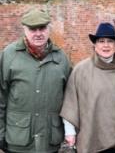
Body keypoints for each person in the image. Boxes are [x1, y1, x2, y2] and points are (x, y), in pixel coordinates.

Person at [0, 8, 71, 153]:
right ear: (24, 29)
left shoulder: (61, 58)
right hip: (18, 140)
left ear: (49, 28)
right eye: (33, 29)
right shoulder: (9, 56)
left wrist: (70, 131)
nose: (38, 33)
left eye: (42, 28)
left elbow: (69, 99)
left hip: (50, 140)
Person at [60, 22, 115, 153]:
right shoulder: (80, 70)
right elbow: (71, 102)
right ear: (95, 45)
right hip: (89, 137)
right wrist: (70, 132)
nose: (106, 45)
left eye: (110, 41)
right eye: (101, 41)